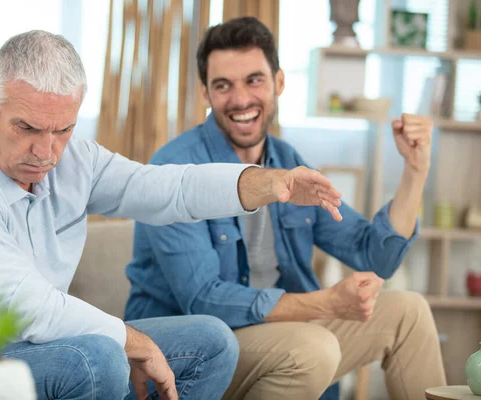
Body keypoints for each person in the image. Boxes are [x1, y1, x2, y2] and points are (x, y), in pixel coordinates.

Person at [0, 30, 344, 400]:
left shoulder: (74, 160)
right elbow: (24, 306)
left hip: (43, 350)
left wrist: (269, 183)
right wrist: (133, 341)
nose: (45, 152)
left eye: (62, 129)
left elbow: (167, 188)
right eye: (27, 128)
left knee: (213, 341)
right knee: (97, 359)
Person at [125, 16, 447, 400]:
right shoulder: (173, 169)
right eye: (223, 85)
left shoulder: (287, 159)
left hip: (283, 335)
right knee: (312, 346)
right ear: (206, 94)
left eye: (254, 80)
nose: (241, 99)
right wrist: (326, 303)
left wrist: (415, 170)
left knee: (409, 311)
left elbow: (374, 254)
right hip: (192, 351)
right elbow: (203, 299)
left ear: (278, 82)